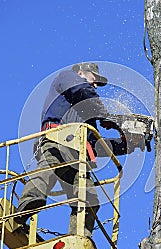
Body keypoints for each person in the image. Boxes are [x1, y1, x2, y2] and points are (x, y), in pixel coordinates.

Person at [15, 62, 128, 237]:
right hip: (56, 140)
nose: (96, 85)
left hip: (79, 156)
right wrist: (106, 115)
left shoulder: (86, 116)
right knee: (49, 168)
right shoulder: (67, 77)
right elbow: (81, 89)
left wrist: (128, 144)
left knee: (89, 200)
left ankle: (80, 236)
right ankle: (26, 205)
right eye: (94, 79)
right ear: (81, 73)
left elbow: (96, 144)